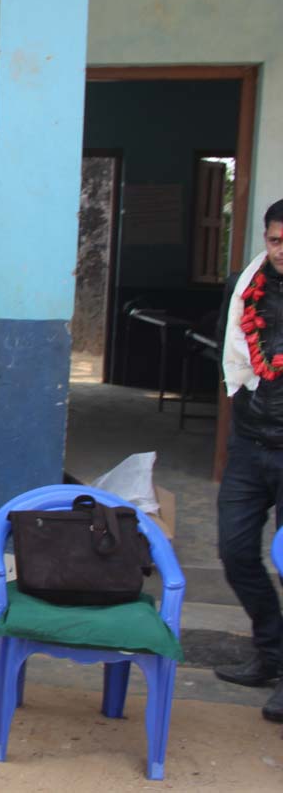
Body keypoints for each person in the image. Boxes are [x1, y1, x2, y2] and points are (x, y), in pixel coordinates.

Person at [214, 198, 283, 724]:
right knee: (235, 552)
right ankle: (271, 652)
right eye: (276, 240)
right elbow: (236, 355)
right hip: (251, 444)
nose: (282, 251)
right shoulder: (251, 284)